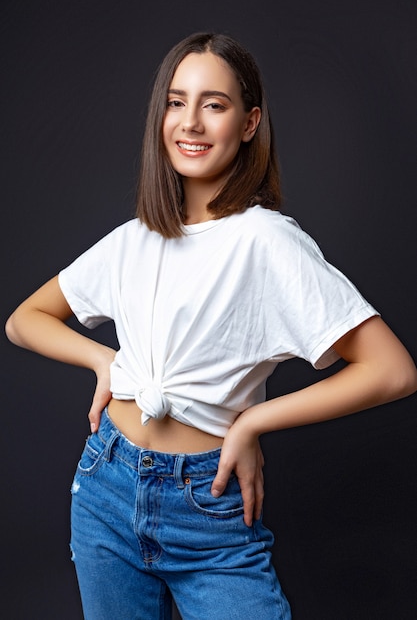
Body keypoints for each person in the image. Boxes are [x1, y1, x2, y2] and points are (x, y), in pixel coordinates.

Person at [5, 32, 417, 620]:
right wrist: (105, 361)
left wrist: (252, 422)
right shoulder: (134, 239)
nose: (191, 123)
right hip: (105, 485)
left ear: (250, 123)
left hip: (208, 503)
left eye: (214, 105)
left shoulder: (267, 241)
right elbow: (24, 320)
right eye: (177, 102)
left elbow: (393, 369)